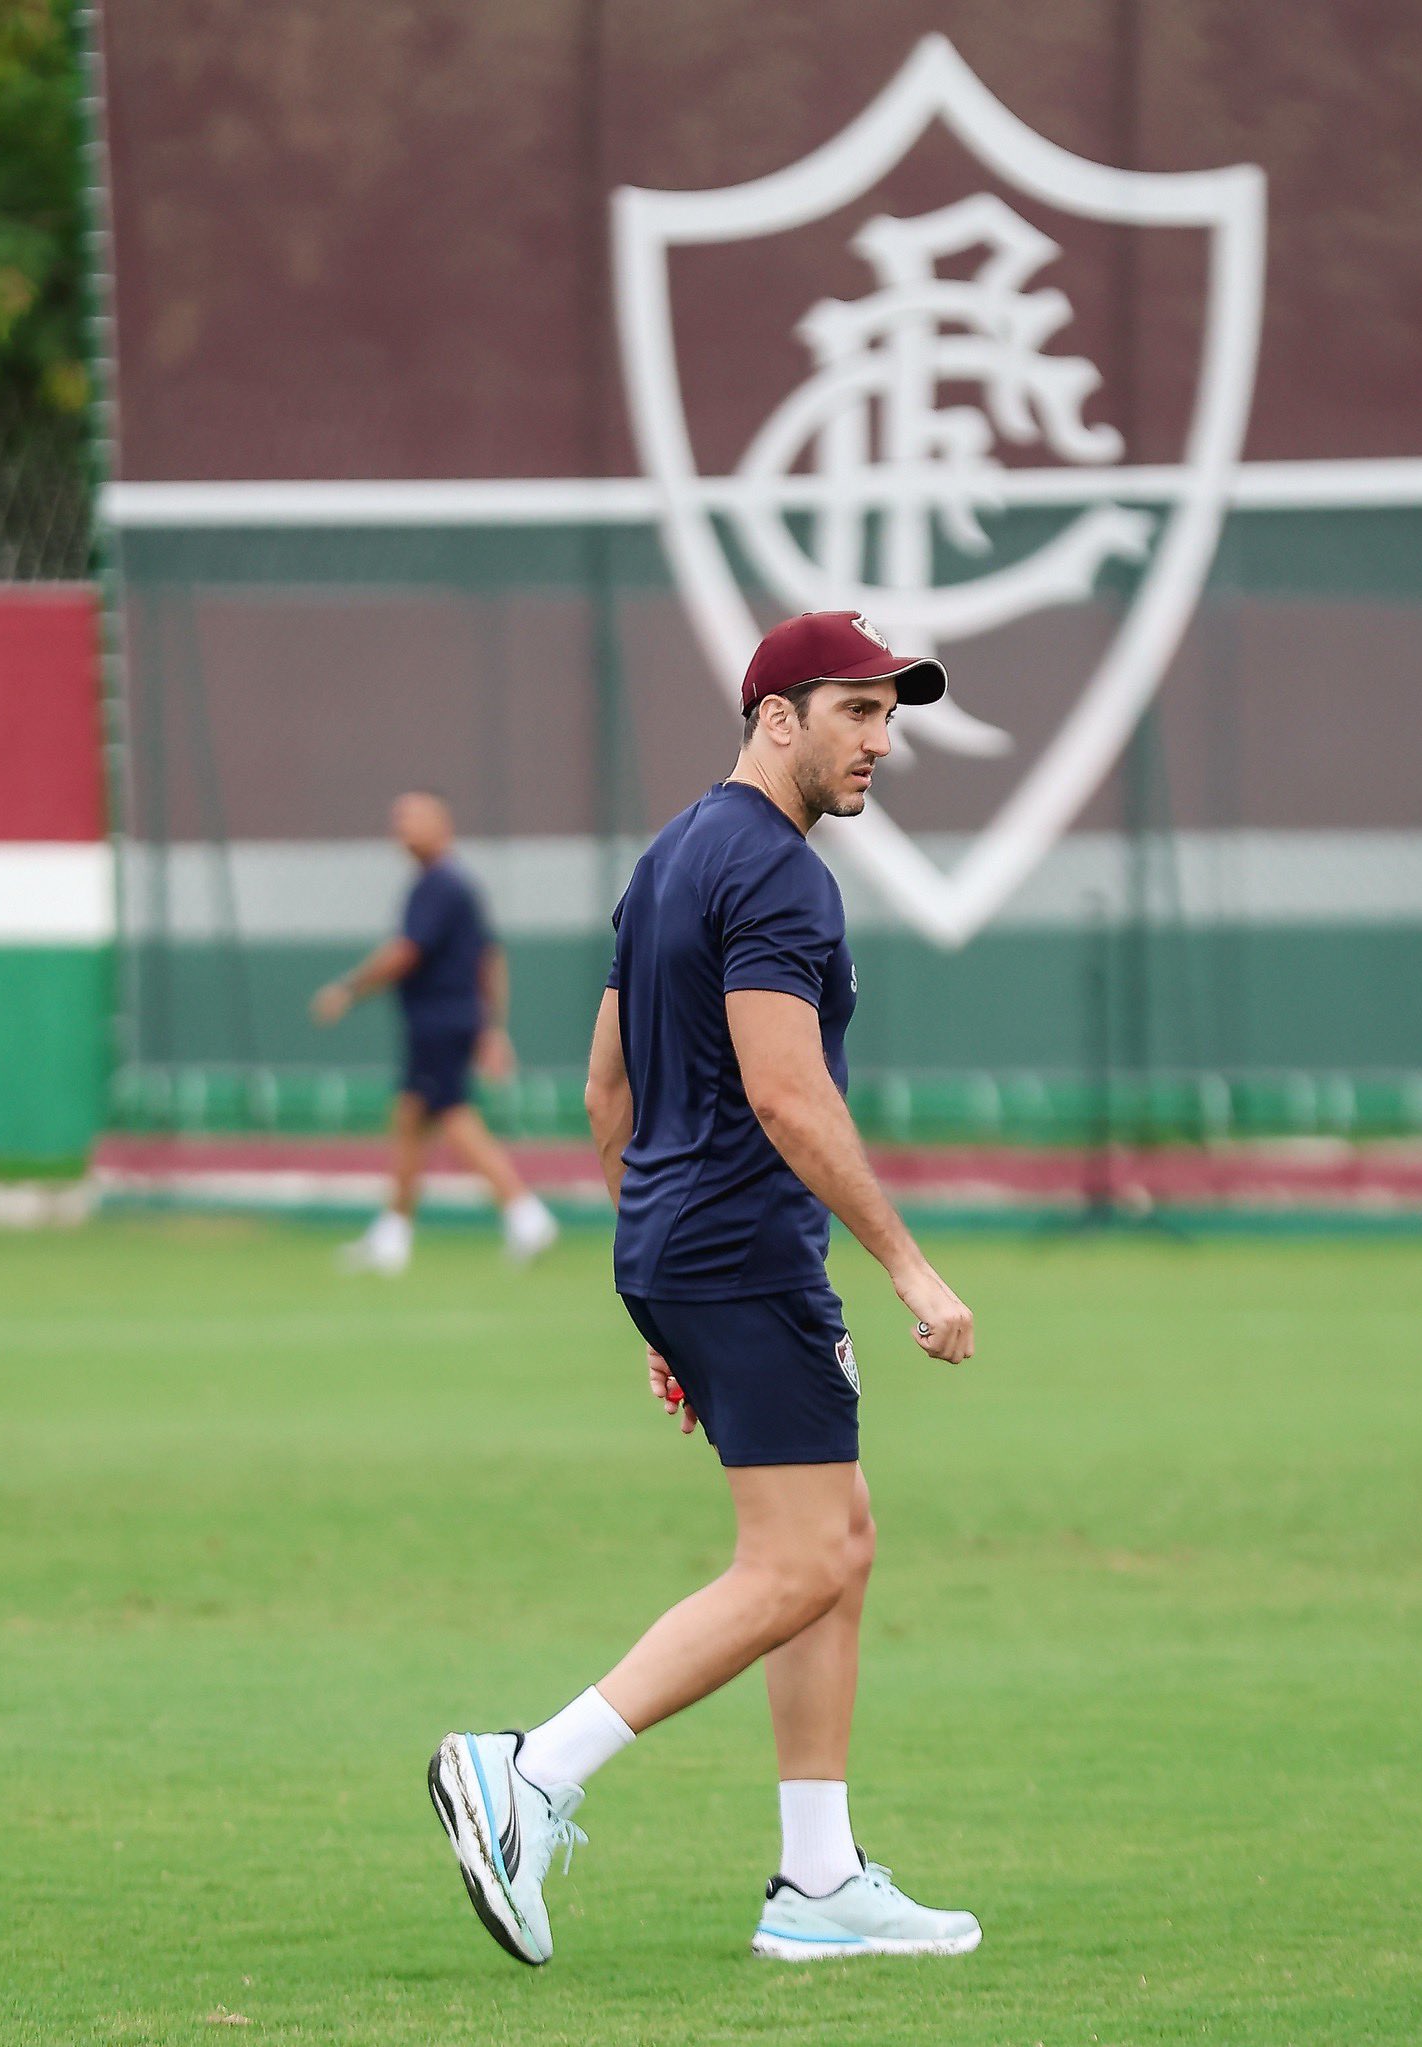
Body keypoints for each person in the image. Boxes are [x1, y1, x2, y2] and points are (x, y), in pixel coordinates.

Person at [428, 611, 980, 1967]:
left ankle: (818, 1878)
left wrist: (655, 1282)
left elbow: (602, 1091)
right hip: (743, 1253)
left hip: (684, 1250)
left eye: (889, 715)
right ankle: (529, 1770)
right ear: (776, 716)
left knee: (840, 1537)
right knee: (800, 1558)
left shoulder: (672, 855)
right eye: (856, 711)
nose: (880, 741)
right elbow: (788, 1094)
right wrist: (907, 1262)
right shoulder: (780, 874)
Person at [310, 790, 558, 1272]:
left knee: (452, 1116)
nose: (401, 827)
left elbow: (407, 952)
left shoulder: (440, 886)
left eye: (413, 817)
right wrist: (490, 1028)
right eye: (398, 817)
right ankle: (393, 1235)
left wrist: (348, 989)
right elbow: (489, 956)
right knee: (409, 1118)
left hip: (440, 1022)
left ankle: (526, 1214)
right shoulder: (452, 885)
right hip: (446, 1021)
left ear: (442, 825)